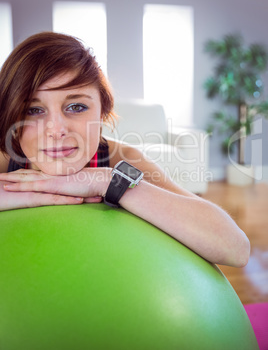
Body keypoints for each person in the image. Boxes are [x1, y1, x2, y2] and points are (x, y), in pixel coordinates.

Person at [0, 31, 250, 267]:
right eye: (33, 110)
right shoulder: (5, 160)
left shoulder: (121, 160)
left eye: (76, 107)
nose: (56, 130)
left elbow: (235, 247)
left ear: (103, 110)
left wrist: (109, 182)